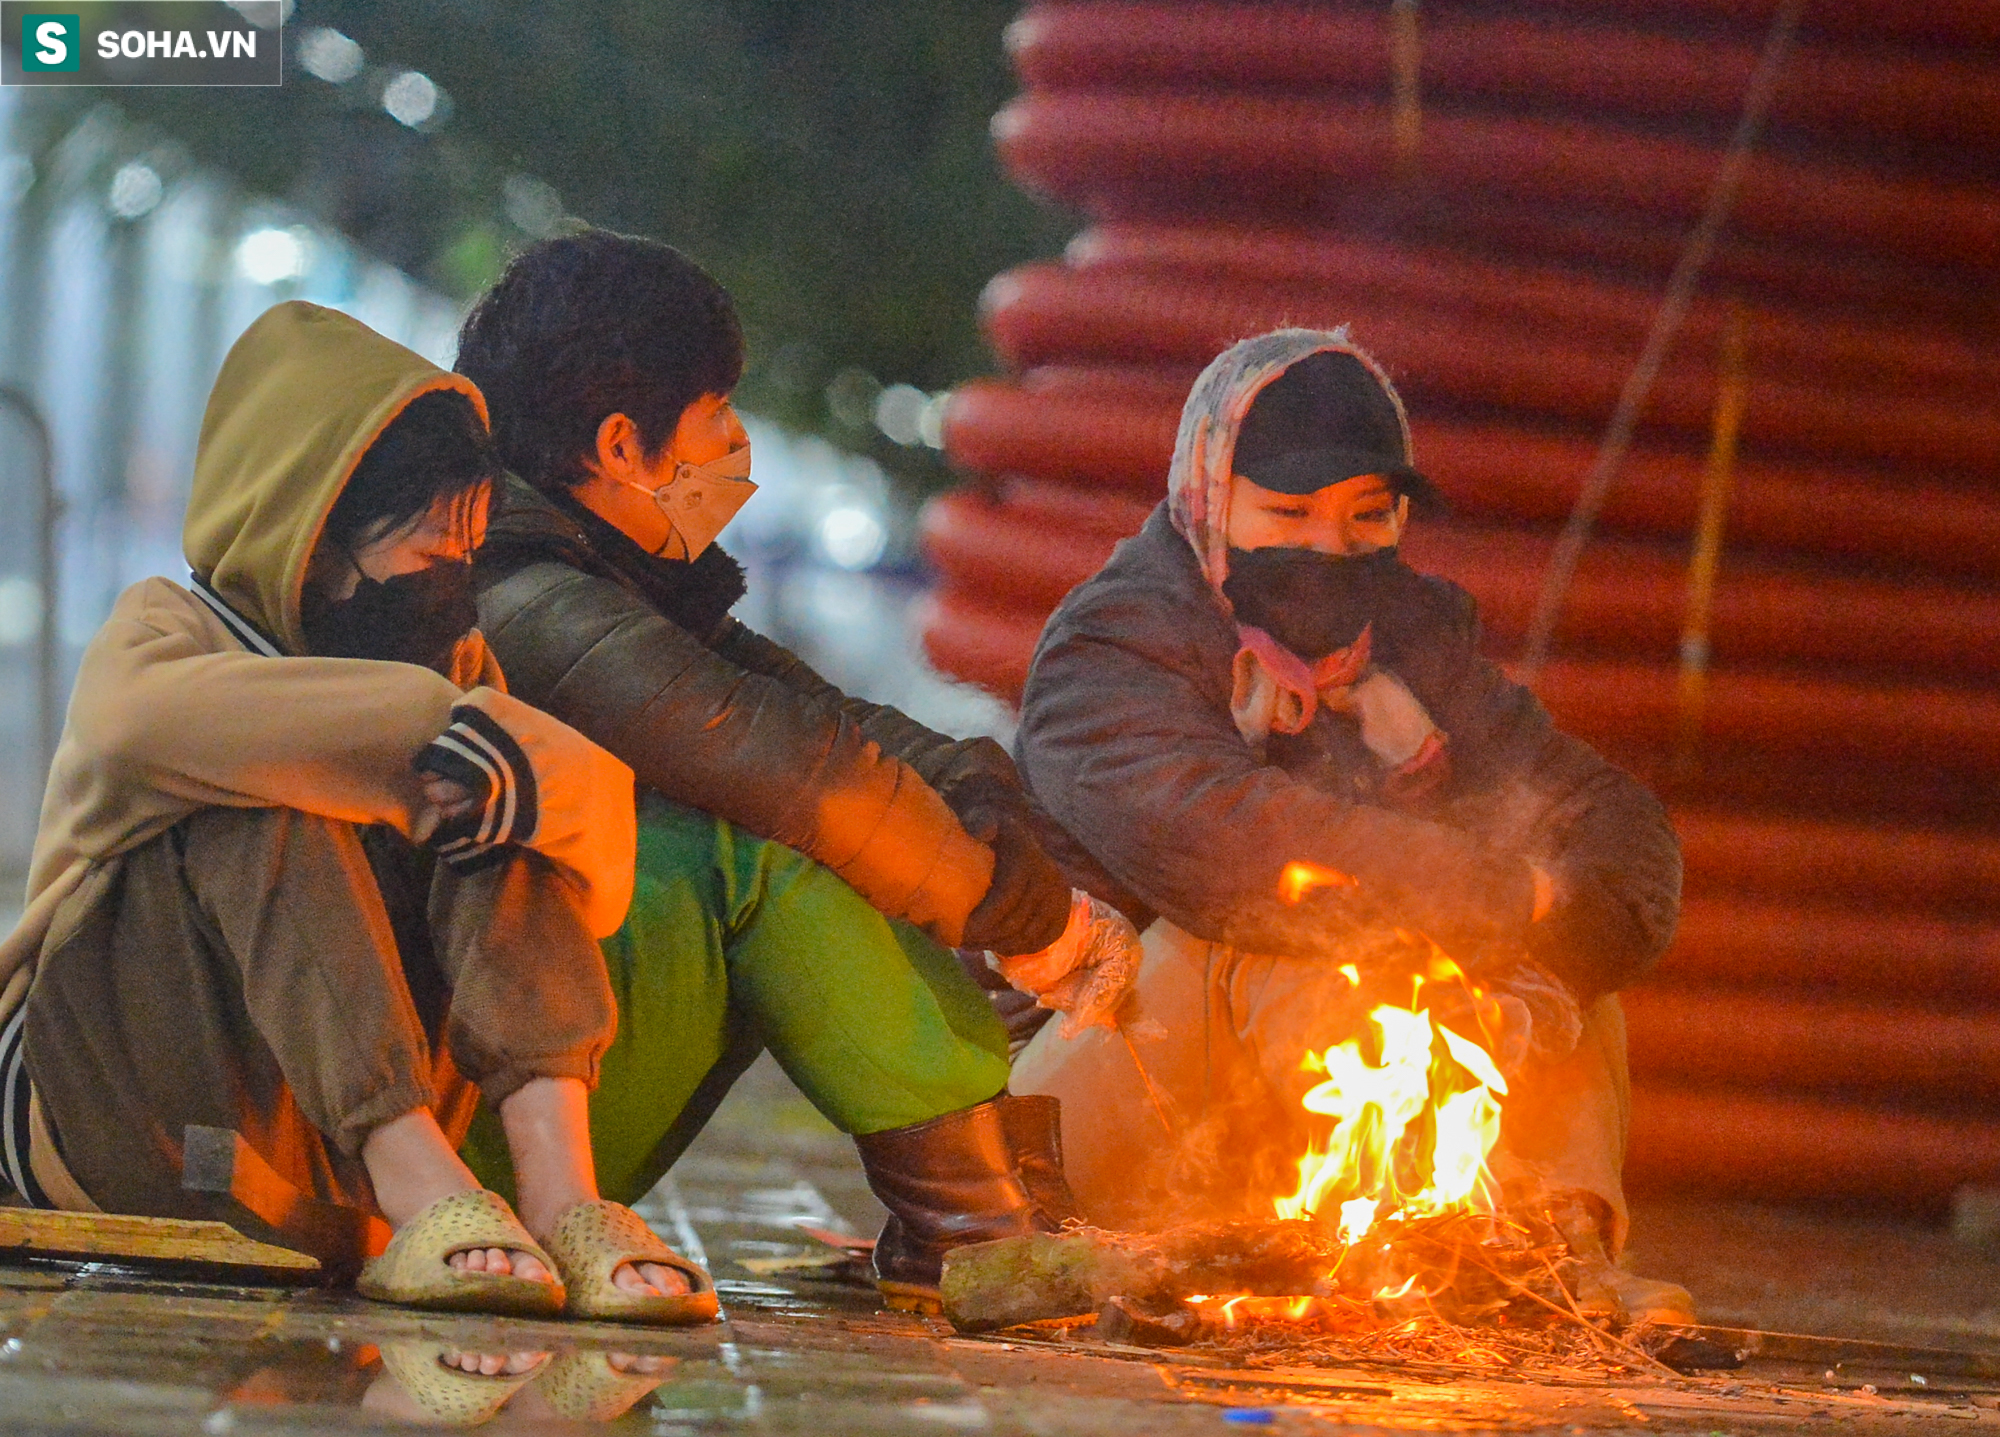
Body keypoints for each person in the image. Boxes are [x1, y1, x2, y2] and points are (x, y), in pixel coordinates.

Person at [0, 301, 714, 1325]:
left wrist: (502, 769)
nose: (454, 585)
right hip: (111, 1117)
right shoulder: (171, 626)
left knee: (497, 807)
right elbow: (132, 728)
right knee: (263, 787)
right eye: (430, 550)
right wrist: (437, 726)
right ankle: (415, 1174)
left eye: (468, 550)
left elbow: (592, 872)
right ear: (318, 534)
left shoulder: (456, 667)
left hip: (305, 1169)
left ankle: (562, 1199)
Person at [454, 232, 1129, 1310]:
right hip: (462, 1141)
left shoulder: (603, 580)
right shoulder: (525, 604)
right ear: (623, 444)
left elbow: (837, 725)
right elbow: (799, 774)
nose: (736, 440)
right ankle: (975, 1230)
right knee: (779, 846)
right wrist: (1030, 923)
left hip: (515, 1092)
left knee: (876, 825)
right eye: (716, 411)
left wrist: (991, 811)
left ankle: (984, 1199)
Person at [1009, 327, 1694, 1323]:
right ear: (1207, 495)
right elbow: (1232, 847)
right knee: (1276, 930)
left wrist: (1540, 938)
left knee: (1557, 983)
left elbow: (1611, 826)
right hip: (1084, 1115)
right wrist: (1505, 892)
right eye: (1285, 512)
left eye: (1366, 517)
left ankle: (1546, 1259)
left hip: (1307, 1124)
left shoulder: (1415, 642)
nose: (1327, 549)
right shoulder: (1112, 646)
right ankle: (1443, 1246)